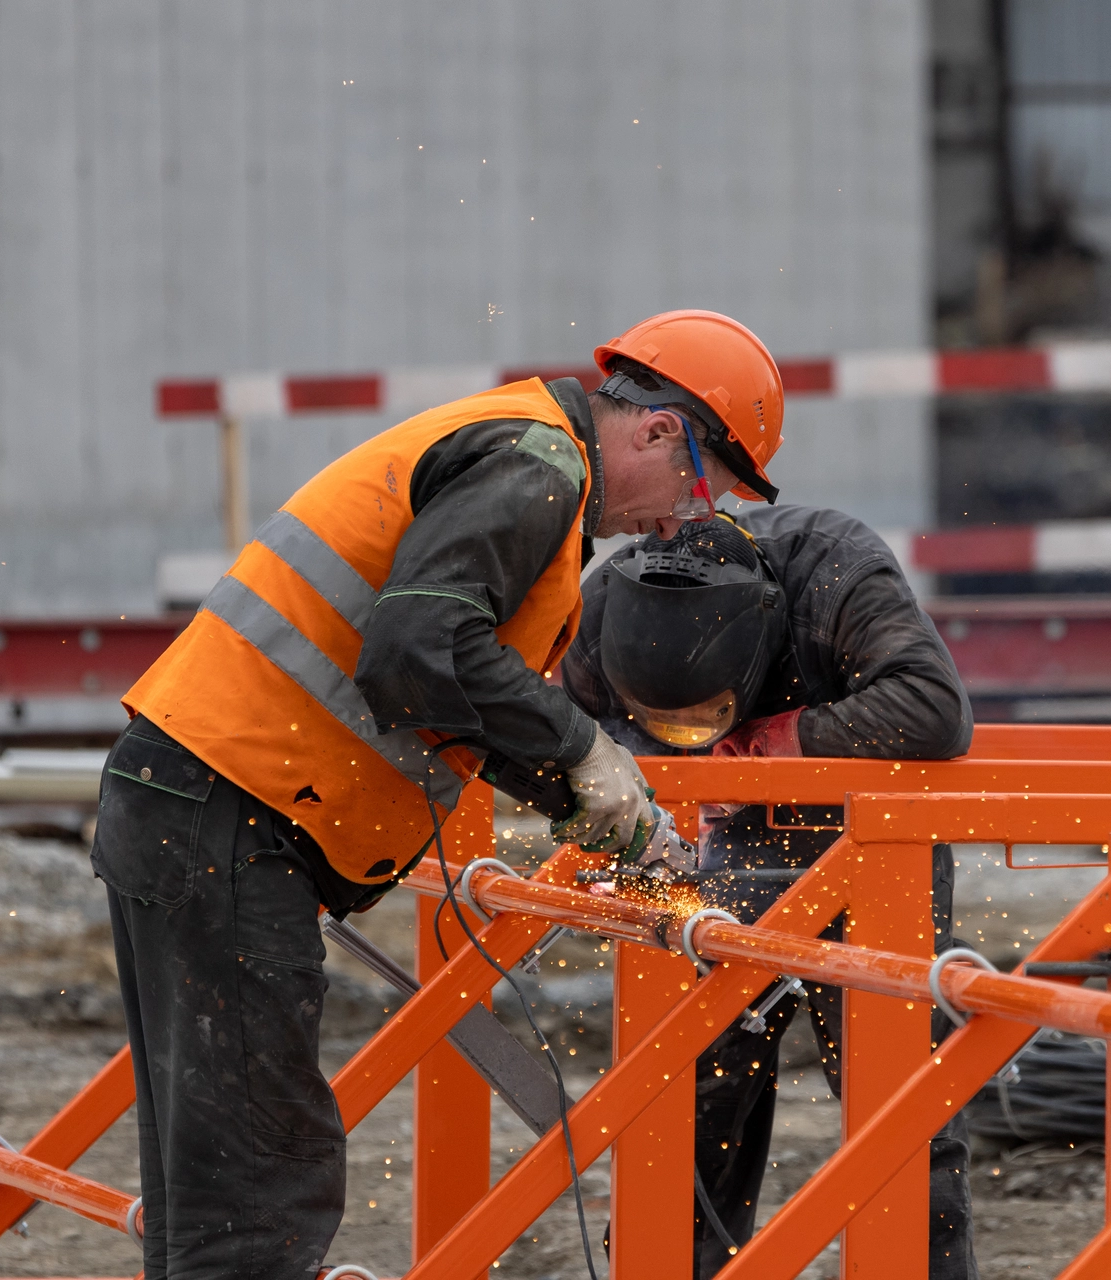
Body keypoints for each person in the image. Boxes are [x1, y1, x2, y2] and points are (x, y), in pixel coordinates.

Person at [90, 310, 786, 1279]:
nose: (678, 521)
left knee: (208, 1198)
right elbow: (419, 650)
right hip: (231, 816)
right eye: (696, 489)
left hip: (190, 802)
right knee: (258, 1190)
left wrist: (580, 794)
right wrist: (583, 753)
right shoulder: (540, 464)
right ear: (662, 431)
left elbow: (447, 681)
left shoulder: (524, 449)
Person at [561, 508, 979, 1280]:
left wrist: (771, 746)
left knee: (897, 1101)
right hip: (706, 850)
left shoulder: (834, 571)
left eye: (703, 716)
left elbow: (934, 708)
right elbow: (554, 725)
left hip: (867, 843)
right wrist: (631, 794)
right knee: (692, 1093)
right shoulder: (601, 610)